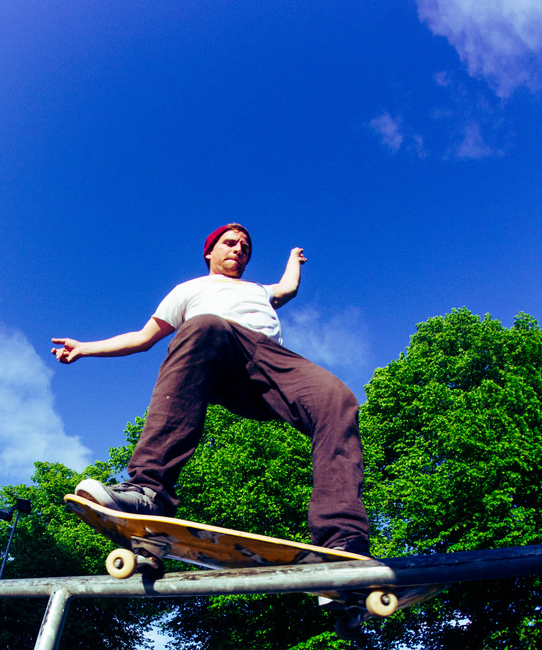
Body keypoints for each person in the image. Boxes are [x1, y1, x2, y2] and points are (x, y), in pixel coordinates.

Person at [52, 224, 370, 561]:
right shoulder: (189, 289)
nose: (238, 250)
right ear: (209, 252)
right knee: (205, 324)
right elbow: (142, 338)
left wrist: (294, 258)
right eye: (230, 243)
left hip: (268, 363)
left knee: (337, 399)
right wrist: (86, 348)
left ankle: (343, 539)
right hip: (215, 356)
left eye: (245, 247)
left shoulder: (259, 290)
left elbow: (289, 287)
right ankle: (148, 490)